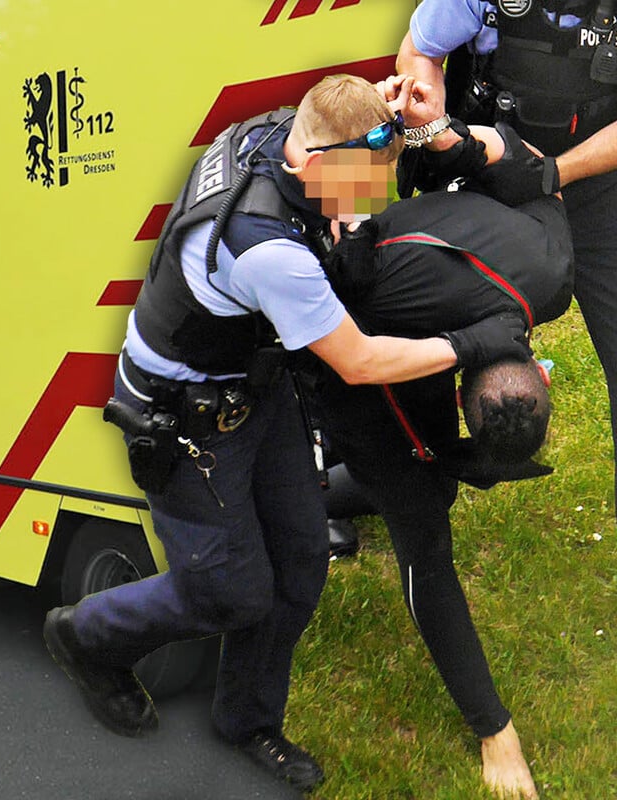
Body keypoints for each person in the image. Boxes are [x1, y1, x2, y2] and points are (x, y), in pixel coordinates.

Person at [41, 74, 532, 794]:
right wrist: (471, 343)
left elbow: (350, 120)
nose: (371, 208)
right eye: (361, 192)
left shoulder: (282, 129)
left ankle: (245, 720)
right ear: (319, 165)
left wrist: (390, 123)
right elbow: (361, 362)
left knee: (302, 561)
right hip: (183, 420)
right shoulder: (268, 250)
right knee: (228, 594)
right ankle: (83, 635)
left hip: (250, 386)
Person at [311, 106, 571, 797]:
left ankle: (326, 495)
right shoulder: (391, 294)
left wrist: (455, 141)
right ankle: (492, 727)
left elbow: (531, 172)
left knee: (436, 474)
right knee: (423, 526)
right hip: (362, 352)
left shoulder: (553, 277)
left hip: (424, 314)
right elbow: (338, 314)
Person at [397, 1, 617, 516]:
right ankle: (398, 476)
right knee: (442, 341)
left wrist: (553, 173)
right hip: (485, 170)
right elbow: (418, 52)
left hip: (596, 179)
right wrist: (440, 136)